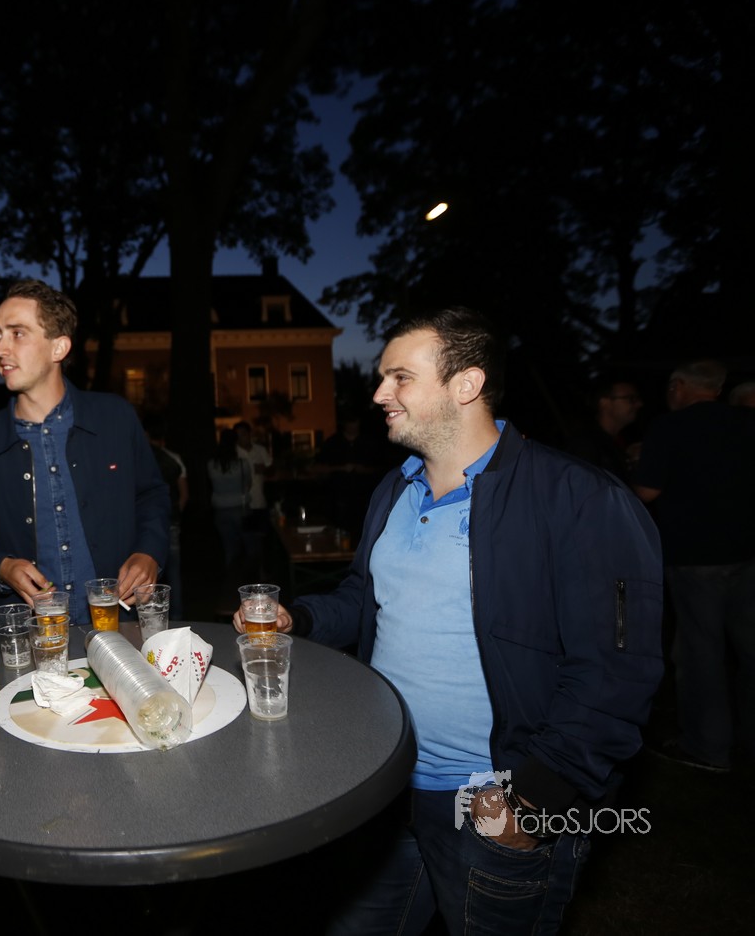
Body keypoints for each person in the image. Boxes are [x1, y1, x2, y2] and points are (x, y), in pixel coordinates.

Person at [236, 307, 663, 935]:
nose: (379, 393)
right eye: (382, 377)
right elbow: (365, 598)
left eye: (401, 377)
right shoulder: (396, 489)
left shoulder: (579, 499)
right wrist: (295, 617)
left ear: (467, 384)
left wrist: (535, 800)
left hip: (495, 806)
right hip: (386, 789)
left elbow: (616, 673)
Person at [0, 279, 170, 623]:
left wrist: (149, 553)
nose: (0, 349)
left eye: (17, 333)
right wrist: (1, 566)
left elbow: (151, 495)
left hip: (120, 626)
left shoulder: (115, 417)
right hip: (30, 633)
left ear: (59, 348)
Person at [634, 359, 755, 774]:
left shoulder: (671, 427)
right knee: (750, 650)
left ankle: (707, 747)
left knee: (701, 652)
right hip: (747, 554)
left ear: (679, 386)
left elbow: (647, 491)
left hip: (694, 558)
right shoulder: (747, 423)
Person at [144, 413, 188, 620]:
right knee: (173, 573)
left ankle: (153, 620)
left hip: (146, 528)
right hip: (171, 523)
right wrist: (175, 515)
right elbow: (184, 494)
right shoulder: (174, 459)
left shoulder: (142, 458)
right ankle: (177, 618)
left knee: (148, 577)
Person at [565, 373, 643, 484]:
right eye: (631, 399)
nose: (639, 404)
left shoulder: (622, 441)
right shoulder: (586, 444)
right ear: (604, 403)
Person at [207, 427, 250, 585]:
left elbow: (212, 484)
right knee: (246, 545)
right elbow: (248, 485)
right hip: (240, 508)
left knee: (228, 547)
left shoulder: (211, 464)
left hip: (220, 510)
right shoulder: (242, 464)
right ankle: (245, 579)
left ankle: (231, 580)